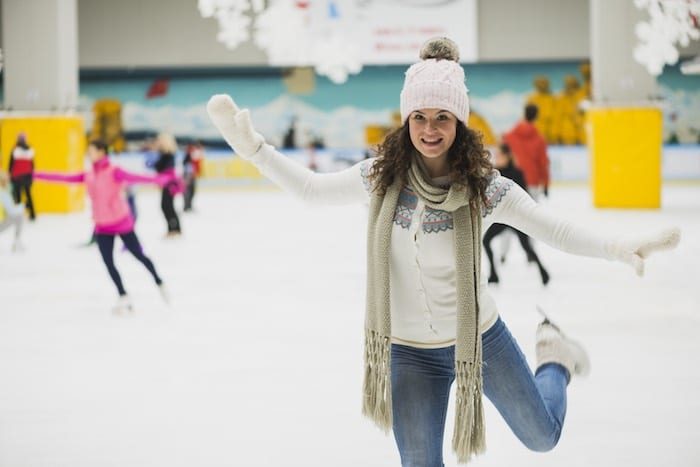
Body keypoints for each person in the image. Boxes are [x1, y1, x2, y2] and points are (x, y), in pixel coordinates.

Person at [207, 38, 680, 466]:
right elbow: (311, 191)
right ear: (406, 119)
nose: (429, 129)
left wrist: (619, 246)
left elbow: (553, 229)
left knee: (542, 438)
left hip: (479, 340)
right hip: (407, 354)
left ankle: (554, 358)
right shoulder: (378, 178)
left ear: (459, 122)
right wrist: (255, 150)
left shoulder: (485, 190)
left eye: (442, 117)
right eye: (419, 116)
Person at [34, 139, 174, 313]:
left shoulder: (114, 171)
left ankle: (159, 282)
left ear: (101, 152)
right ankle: (123, 295)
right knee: (108, 262)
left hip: (121, 222)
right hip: (102, 225)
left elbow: (136, 177)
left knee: (139, 255)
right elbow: (64, 178)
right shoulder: (89, 174)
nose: (88, 154)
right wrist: (35, 175)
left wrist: (161, 179)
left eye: (91, 150)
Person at [483, 143, 549, 285]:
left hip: (516, 218)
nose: (497, 158)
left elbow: (524, 196)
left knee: (526, 246)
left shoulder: (517, 173)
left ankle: (543, 272)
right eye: (496, 156)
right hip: (501, 218)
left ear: (507, 157)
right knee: (486, 240)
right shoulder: (494, 174)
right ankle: (493, 274)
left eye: (500, 155)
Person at [504, 103, 550, 200]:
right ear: (536, 117)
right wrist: (545, 184)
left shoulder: (509, 137)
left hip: (513, 181)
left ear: (524, 115)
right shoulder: (539, 139)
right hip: (532, 181)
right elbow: (543, 163)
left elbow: (503, 159)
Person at [154, 133, 183, 236]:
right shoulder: (164, 154)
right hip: (167, 184)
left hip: (169, 185)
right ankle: (173, 229)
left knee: (167, 206)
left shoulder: (168, 155)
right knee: (167, 206)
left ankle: (174, 229)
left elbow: (164, 169)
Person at [7, 132, 36, 220]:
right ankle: (32, 215)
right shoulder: (30, 150)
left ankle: (19, 216)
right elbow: (32, 165)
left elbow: (11, 164)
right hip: (27, 176)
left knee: (18, 196)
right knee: (28, 195)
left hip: (17, 176)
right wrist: (31, 176)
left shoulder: (15, 149)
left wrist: (10, 174)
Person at [0, 171, 25, 252]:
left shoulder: (5, 192)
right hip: (3, 220)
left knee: (18, 217)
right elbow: (11, 210)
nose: (8, 182)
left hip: (5, 218)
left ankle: (17, 242)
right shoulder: (3, 193)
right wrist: (23, 207)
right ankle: (17, 242)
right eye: (6, 180)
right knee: (19, 217)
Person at [182, 141, 204, 212]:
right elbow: (187, 163)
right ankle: (187, 206)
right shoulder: (193, 152)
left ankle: (188, 206)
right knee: (189, 191)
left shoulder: (193, 152)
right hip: (189, 174)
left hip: (190, 174)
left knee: (190, 191)